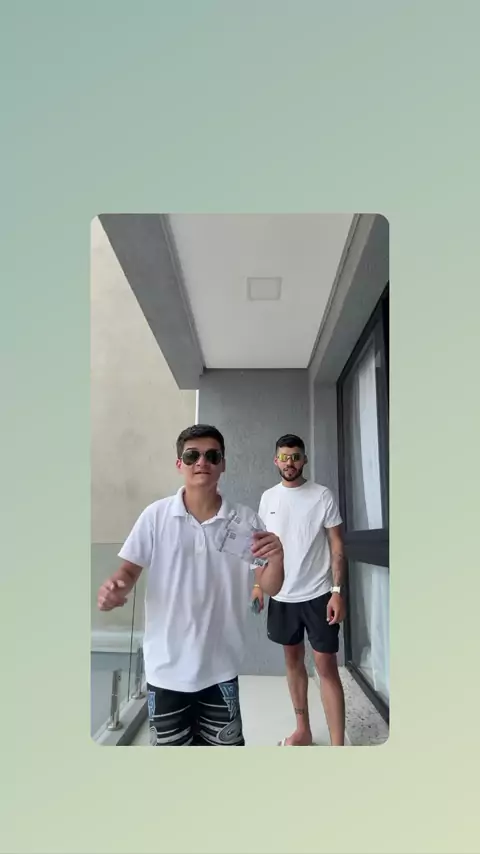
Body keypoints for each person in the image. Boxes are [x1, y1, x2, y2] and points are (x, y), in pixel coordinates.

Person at [97, 424, 284, 747]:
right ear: (179, 464)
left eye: (212, 456)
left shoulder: (245, 521)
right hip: (165, 669)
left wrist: (277, 557)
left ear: (223, 464)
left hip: (220, 667)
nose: (202, 462)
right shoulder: (155, 516)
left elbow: (272, 587)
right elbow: (129, 569)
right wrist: (117, 587)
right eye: (192, 455)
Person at [253, 433, 346, 746]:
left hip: (319, 595)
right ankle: (302, 731)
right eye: (284, 457)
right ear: (276, 460)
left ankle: (338, 747)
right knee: (292, 662)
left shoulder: (322, 495)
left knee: (326, 665)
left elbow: (337, 544)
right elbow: (261, 547)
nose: (289, 462)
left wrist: (337, 591)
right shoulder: (268, 498)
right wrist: (258, 585)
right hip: (282, 596)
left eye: (295, 456)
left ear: (304, 459)